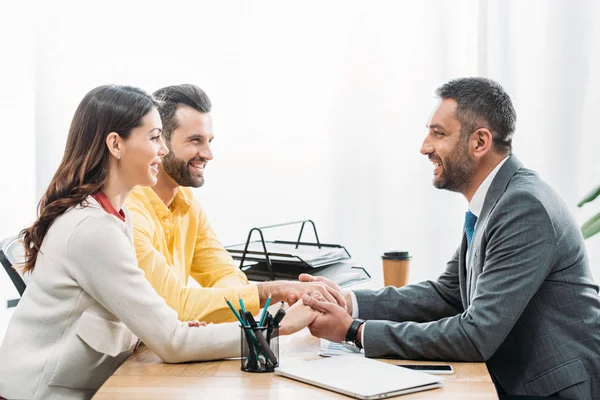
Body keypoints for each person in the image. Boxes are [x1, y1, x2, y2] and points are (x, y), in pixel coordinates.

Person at [0, 85, 319, 400]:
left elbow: (155, 324)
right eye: (154, 137)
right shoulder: (92, 228)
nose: (163, 150)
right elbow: (172, 342)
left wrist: (172, 327)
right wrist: (277, 329)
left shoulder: (112, 216)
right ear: (116, 145)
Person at [299, 78, 600, 399]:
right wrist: (348, 302)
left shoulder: (522, 206)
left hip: (552, 390)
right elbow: (449, 294)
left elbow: (475, 336)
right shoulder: (496, 199)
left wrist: (354, 331)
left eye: (438, 133)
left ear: (480, 141)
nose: (425, 146)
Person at [124, 84, 343, 323]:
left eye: (209, 141)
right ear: (159, 141)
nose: (208, 153)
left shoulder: (186, 202)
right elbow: (172, 306)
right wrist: (274, 291)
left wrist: (217, 303)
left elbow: (228, 275)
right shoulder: (129, 211)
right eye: (195, 140)